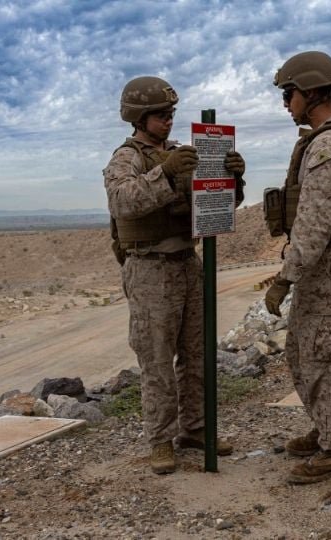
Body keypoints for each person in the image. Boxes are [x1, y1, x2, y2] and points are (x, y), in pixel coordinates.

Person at [103, 76, 245, 474]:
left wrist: (233, 178)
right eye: (160, 115)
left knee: (197, 356)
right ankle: (161, 439)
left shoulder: (180, 154)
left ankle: (195, 429)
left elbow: (215, 202)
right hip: (150, 269)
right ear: (138, 117)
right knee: (157, 360)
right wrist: (163, 174)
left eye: (170, 114)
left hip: (187, 263)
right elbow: (122, 201)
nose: (168, 121)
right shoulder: (127, 158)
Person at [264, 52, 331, 484]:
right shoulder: (330, 140)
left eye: (289, 94)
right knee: (303, 353)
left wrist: (284, 278)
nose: (286, 103)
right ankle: (327, 428)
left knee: (327, 355)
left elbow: (314, 222)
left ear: (310, 92)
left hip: (326, 264)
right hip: (324, 264)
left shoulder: (328, 145)